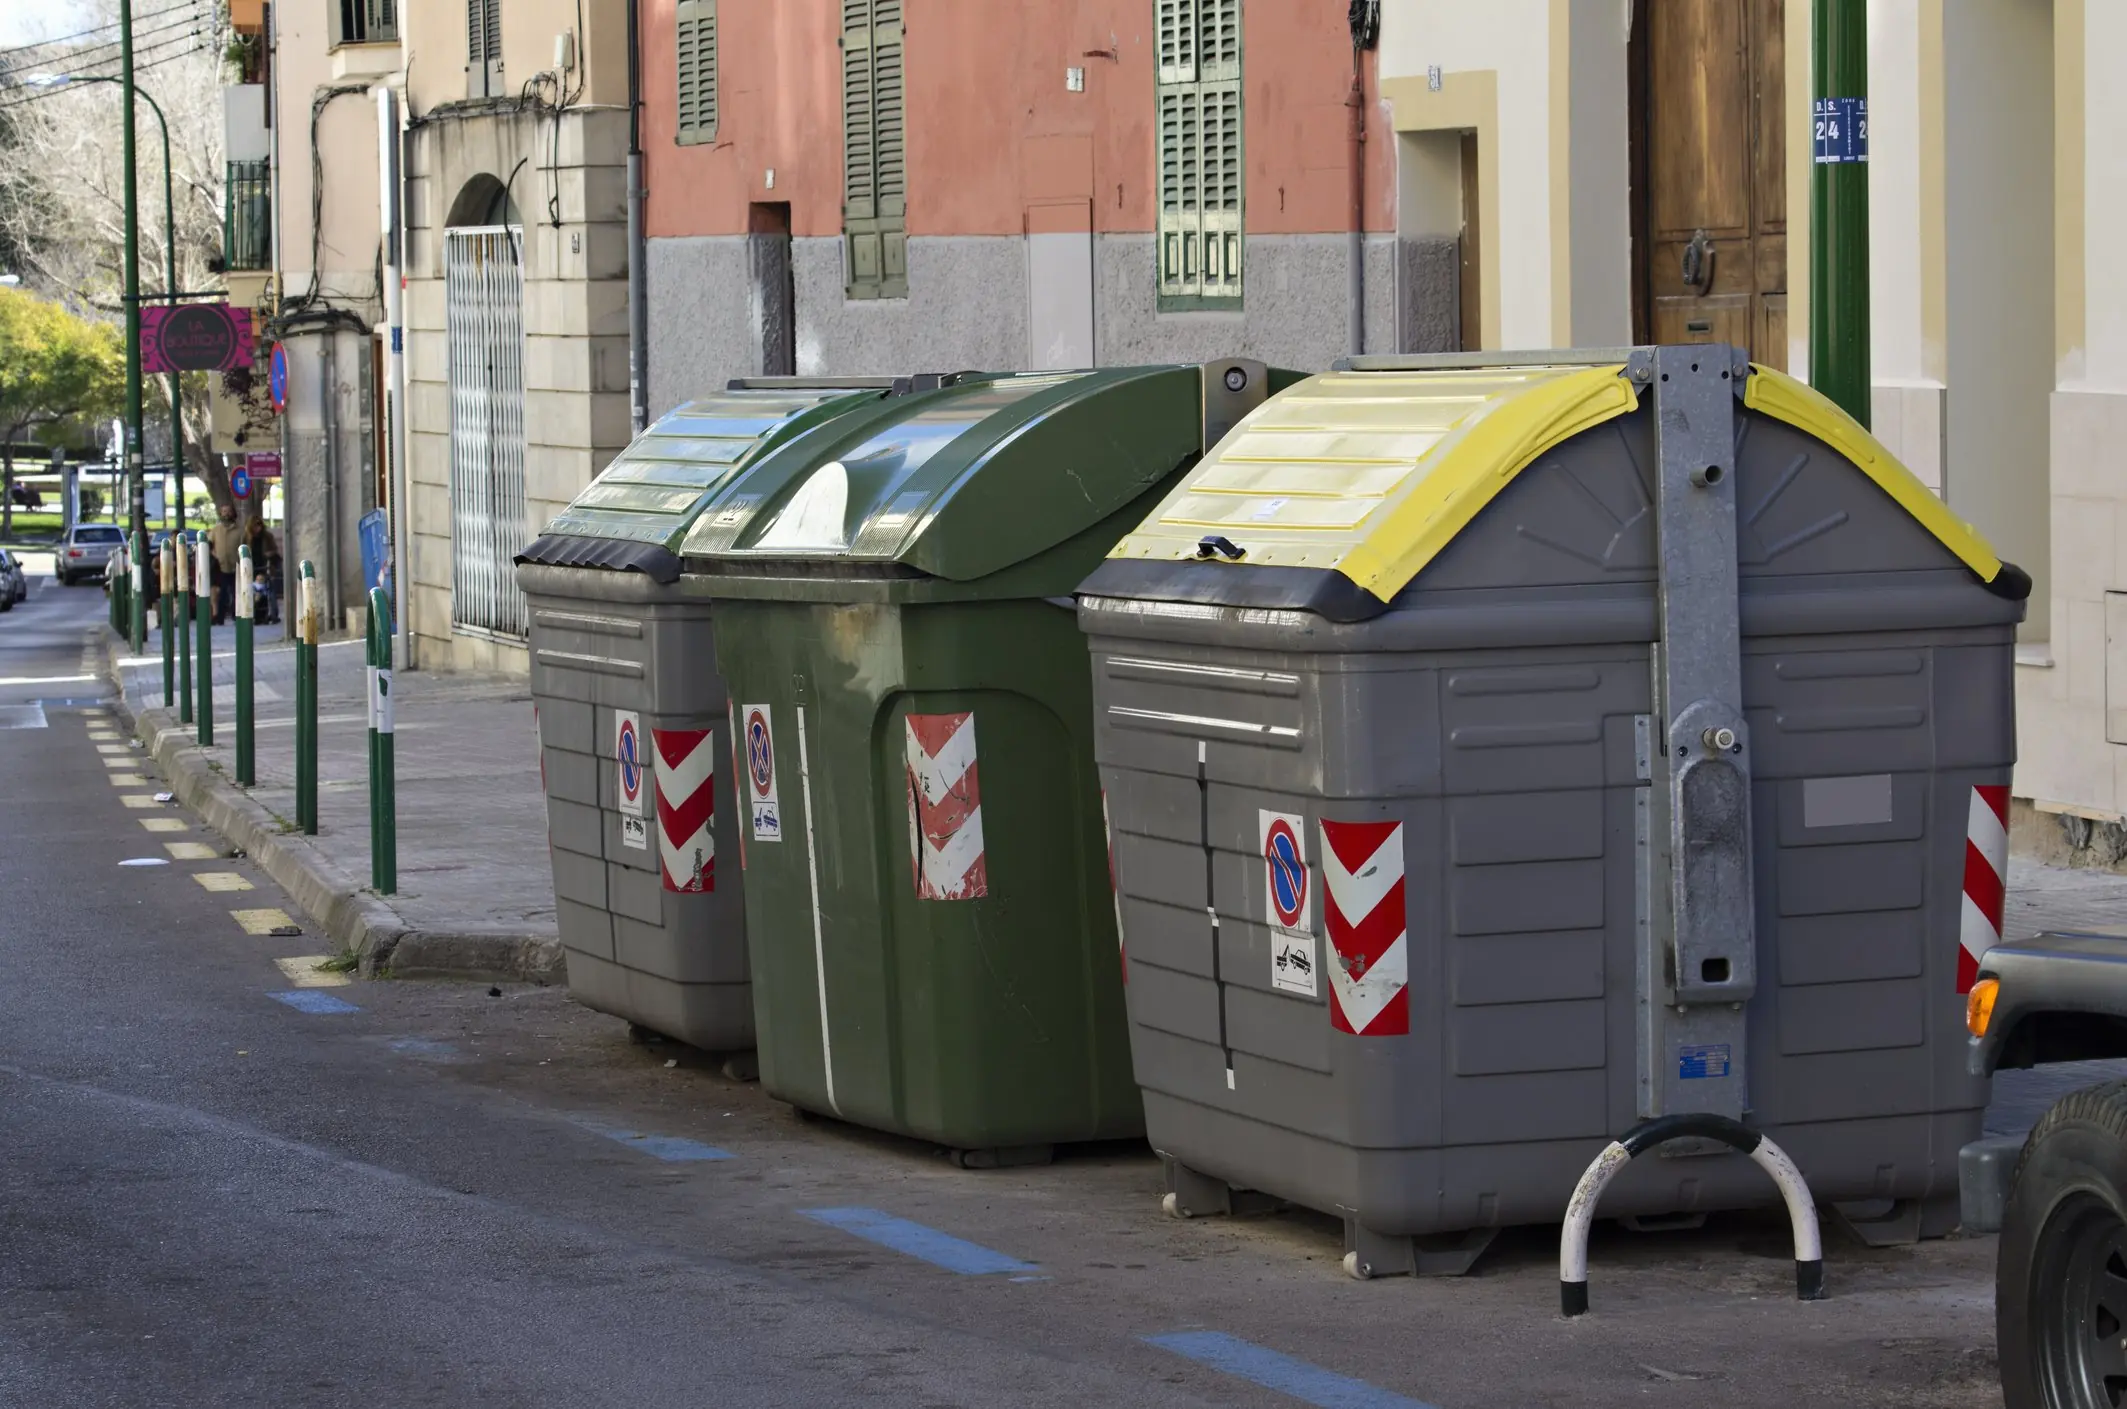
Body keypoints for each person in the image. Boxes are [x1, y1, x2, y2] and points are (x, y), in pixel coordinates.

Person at [243, 514, 281, 624]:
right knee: (254, 592)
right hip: (251, 566)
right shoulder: (247, 536)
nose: (257, 528)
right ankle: (254, 615)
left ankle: (265, 615)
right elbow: (242, 549)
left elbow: (274, 549)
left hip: (264, 566)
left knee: (264, 591)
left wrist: (268, 554)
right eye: (255, 525)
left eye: (259, 525)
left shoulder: (267, 536)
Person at [208, 503, 242, 625]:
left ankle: (236, 615)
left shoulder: (240, 530)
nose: (226, 514)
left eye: (228, 511)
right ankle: (219, 617)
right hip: (220, 567)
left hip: (236, 567)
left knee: (236, 592)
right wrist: (214, 554)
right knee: (221, 594)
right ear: (220, 514)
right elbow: (209, 544)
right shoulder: (216, 530)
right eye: (224, 511)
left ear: (233, 513)